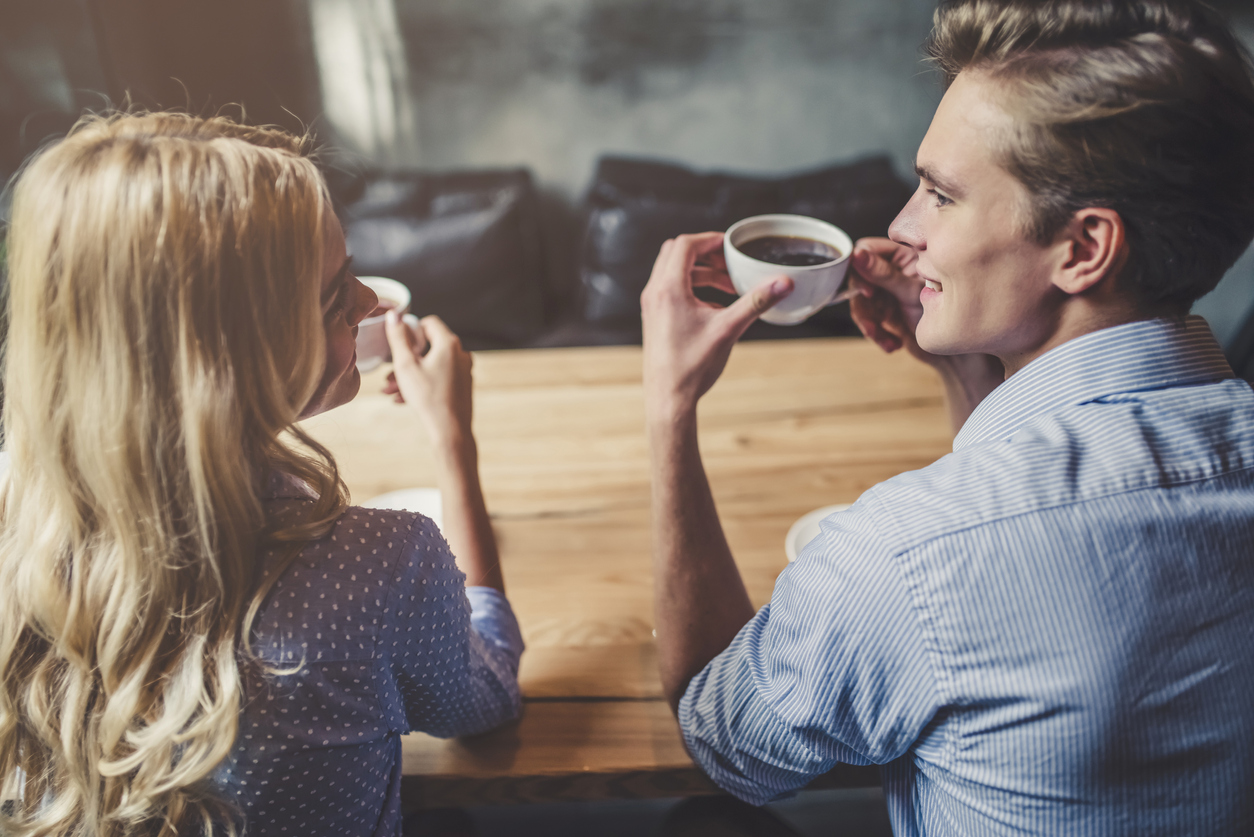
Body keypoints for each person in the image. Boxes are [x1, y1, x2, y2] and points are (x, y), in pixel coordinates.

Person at [640, 0, 1254, 834]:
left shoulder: (907, 553)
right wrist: (968, 364)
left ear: (1083, 248)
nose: (901, 226)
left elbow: (723, 738)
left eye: (940, 195)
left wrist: (669, 404)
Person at [0, 112, 522, 836]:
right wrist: (453, 440)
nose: (370, 303)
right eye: (338, 294)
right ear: (229, 360)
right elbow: (485, 698)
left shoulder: (18, 525)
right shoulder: (380, 564)